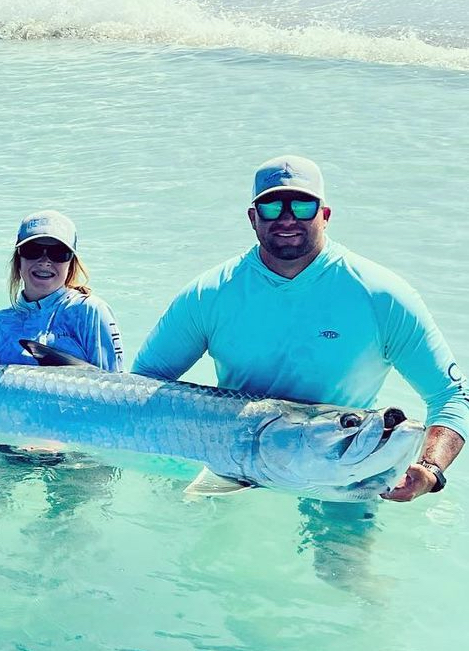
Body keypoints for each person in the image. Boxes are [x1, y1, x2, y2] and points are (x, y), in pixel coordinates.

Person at [133, 155, 467, 502]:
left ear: (325, 215)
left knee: (342, 557)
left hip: (343, 475)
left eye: (303, 206)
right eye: (272, 206)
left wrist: (431, 469)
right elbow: (144, 383)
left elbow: (450, 395)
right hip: (231, 471)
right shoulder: (210, 294)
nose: (288, 218)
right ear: (252, 218)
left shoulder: (382, 296)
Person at [0, 210, 123, 371]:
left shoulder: (91, 312)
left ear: (71, 263)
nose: (44, 262)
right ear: (18, 260)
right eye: (33, 250)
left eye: (58, 253)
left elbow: (113, 384)